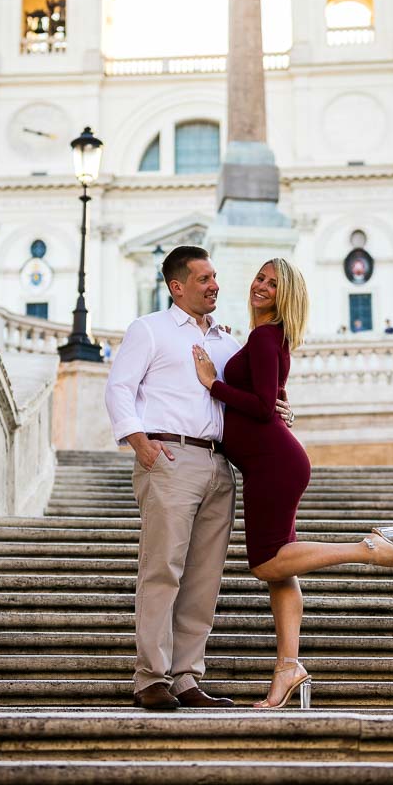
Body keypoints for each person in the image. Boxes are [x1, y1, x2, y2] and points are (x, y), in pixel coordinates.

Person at [192, 258, 393, 710]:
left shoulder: (263, 335)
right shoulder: (273, 337)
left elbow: (259, 406)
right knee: (283, 573)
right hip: (273, 461)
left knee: (267, 564)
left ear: (285, 295)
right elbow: (275, 399)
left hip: (271, 463)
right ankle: (288, 668)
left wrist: (212, 383)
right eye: (259, 276)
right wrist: (273, 404)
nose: (261, 286)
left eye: (273, 284)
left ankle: (366, 549)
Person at [104, 245, 293, 711]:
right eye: (204, 278)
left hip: (219, 465)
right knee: (162, 569)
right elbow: (118, 388)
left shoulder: (227, 342)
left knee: (204, 579)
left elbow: (251, 395)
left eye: (215, 277)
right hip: (169, 457)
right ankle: (151, 677)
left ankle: (187, 676)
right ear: (177, 286)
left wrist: (279, 406)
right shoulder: (149, 330)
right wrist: (140, 444)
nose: (215, 286)